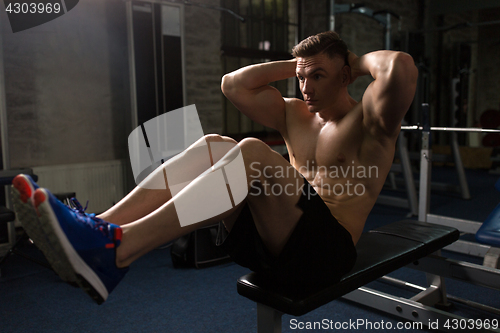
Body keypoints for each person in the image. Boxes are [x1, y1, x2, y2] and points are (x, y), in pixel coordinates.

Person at [12, 31, 418, 304]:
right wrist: (299, 63)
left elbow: (399, 66)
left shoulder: (370, 121)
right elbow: (232, 84)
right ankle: (99, 228)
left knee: (252, 151)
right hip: (272, 245)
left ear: (346, 75)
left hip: (324, 256)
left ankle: (121, 250)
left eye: (318, 76)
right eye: (302, 78)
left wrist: (353, 58)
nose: (306, 88)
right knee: (213, 146)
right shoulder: (294, 113)